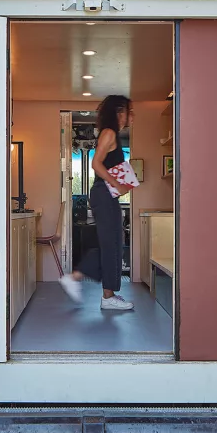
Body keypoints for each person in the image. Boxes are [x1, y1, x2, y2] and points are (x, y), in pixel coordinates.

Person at [59, 95, 135, 310]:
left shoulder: (113, 135)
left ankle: (106, 295)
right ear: (119, 112)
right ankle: (79, 281)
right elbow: (95, 164)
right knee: (111, 242)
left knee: (112, 242)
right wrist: (116, 184)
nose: (132, 115)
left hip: (106, 193)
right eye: (130, 111)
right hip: (103, 192)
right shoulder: (109, 133)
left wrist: (118, 184)